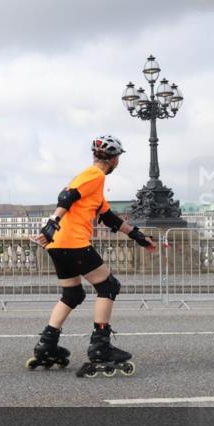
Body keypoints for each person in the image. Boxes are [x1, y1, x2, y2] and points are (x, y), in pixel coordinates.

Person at [29, 134, 158, 377]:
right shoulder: (94, 175)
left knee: (73, 294)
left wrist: (139, 236)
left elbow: (110, 218)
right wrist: (52, 223)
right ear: (114, 159)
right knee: (108, 286)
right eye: (118, 158)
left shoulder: (94, 187)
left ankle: (47, 344)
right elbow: (67, 196)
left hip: (57, 245)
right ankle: (100, 346)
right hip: (73, 242)